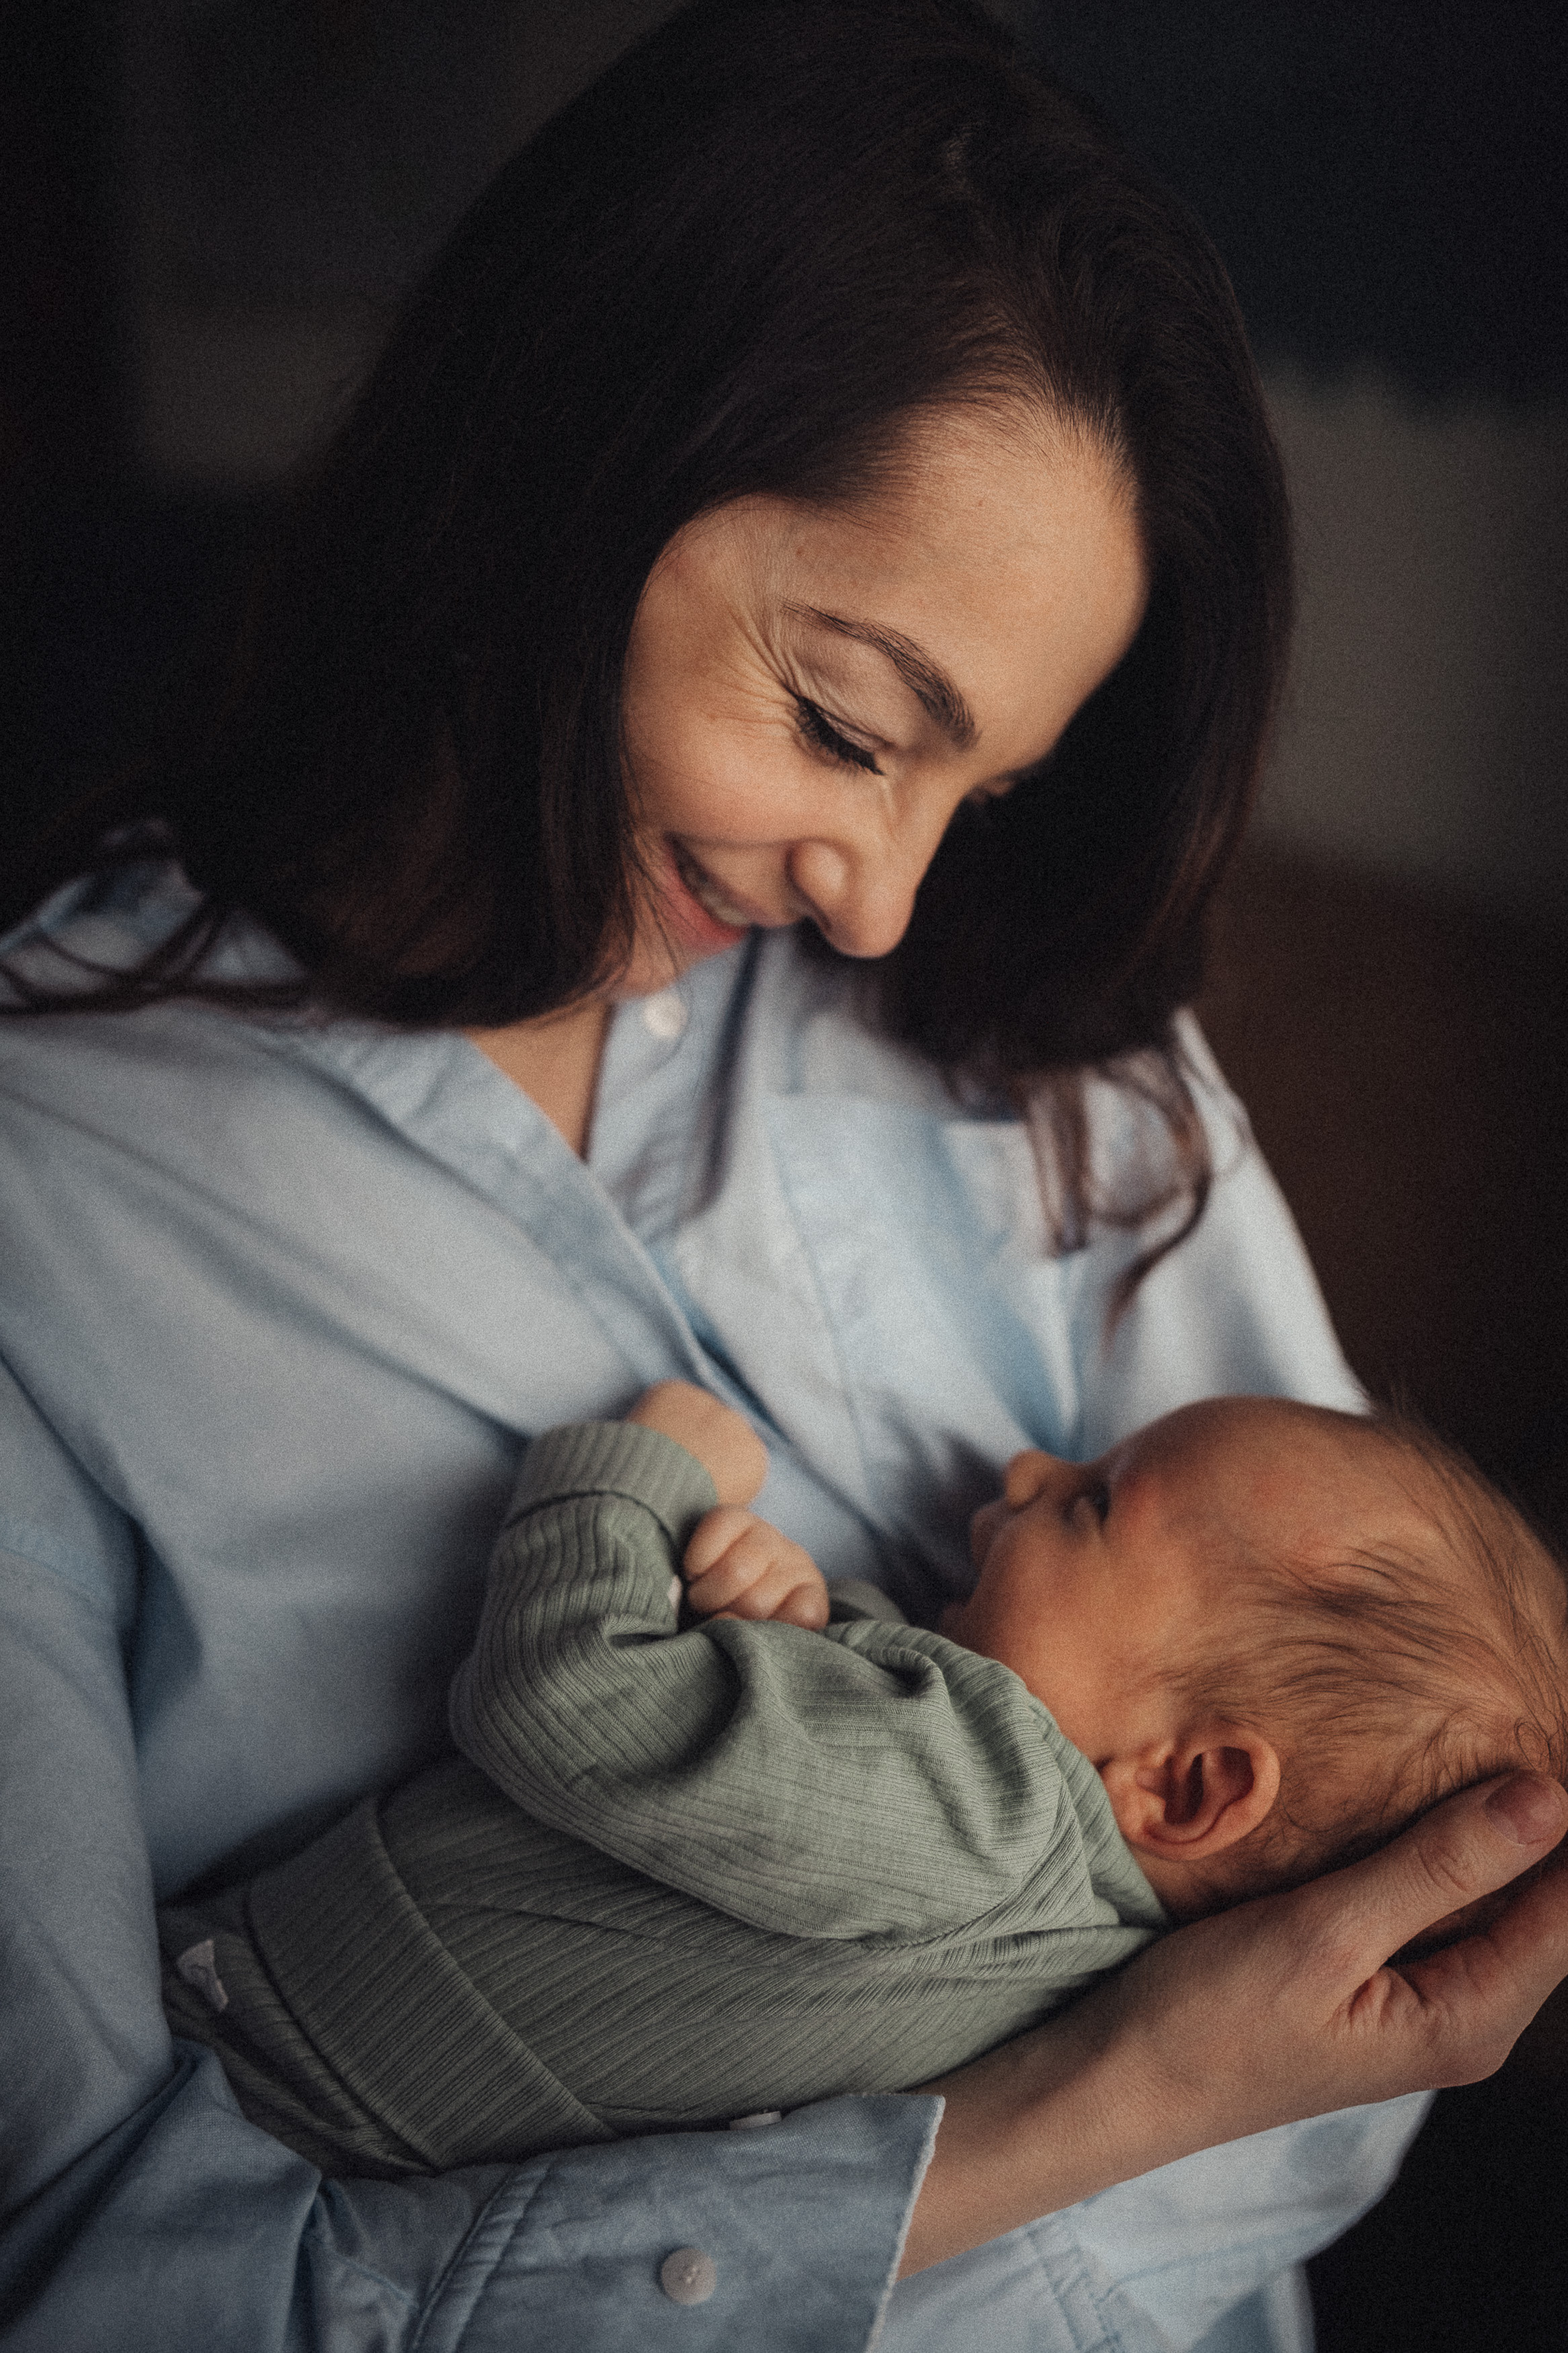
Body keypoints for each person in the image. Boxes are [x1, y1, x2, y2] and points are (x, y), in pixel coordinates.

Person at [2, 3, 1566, 2348]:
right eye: (845, 724)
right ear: (562, 462)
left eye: (980, 792)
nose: (879, 909)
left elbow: (1400, 1909)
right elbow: (108, 2287)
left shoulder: (1037, 1028)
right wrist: (1096, 2107)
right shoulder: (56, 1191)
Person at [155, 1381, 1568, 2178]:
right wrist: (798, 1630)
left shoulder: (992, 1798)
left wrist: (632, 1476)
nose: (1026, 1459)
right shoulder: (1070, 1943)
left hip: (246, 2056)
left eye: (1093, 1502)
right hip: (340, 2135)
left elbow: (564, 1696)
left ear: (1188, 1785)